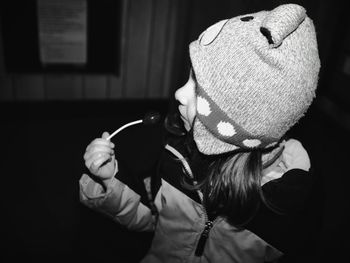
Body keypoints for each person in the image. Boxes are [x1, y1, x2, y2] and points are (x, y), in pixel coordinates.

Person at [80, 3, 321, 262]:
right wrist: (110, 182)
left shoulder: (287, 207)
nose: (178, 94)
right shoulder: (176, 158)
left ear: (241, 114)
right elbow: (152, 221)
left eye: (199, 89)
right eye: (189, 78)